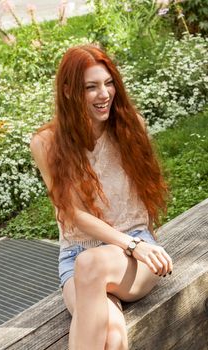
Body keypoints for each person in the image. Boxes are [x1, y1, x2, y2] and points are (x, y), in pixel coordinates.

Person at [30, 44, 173, 350]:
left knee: (91, 264)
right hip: (77, 257)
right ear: (68, 91)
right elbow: (72, 213)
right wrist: (130, 245)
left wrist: (133, 244)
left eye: (108, 83)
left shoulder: (129, 125)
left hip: (134, 252)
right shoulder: (46, 143)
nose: (105, 94)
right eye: (91, 87)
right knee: (111, 334)